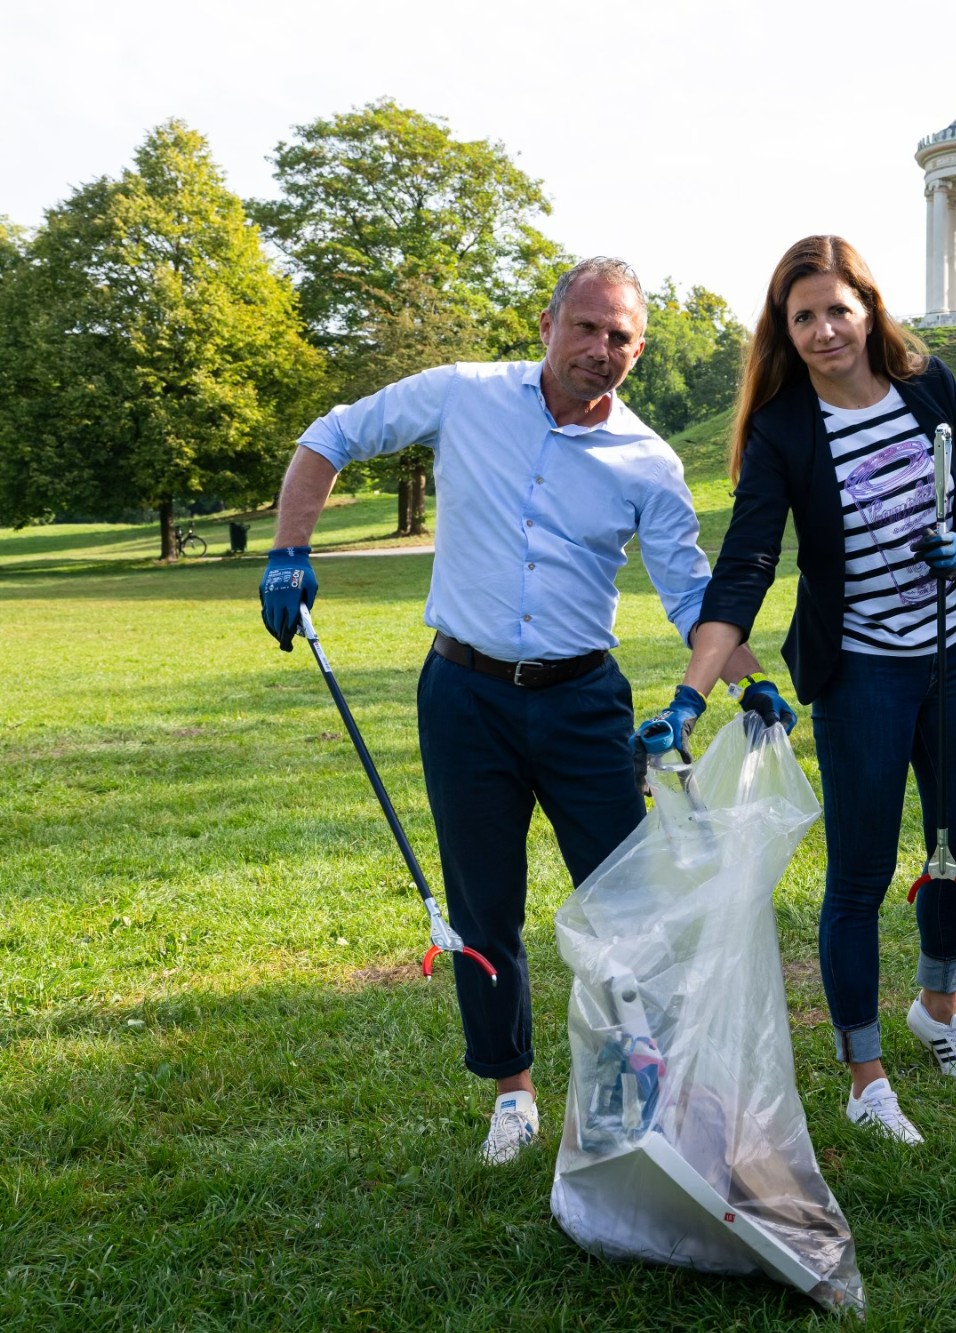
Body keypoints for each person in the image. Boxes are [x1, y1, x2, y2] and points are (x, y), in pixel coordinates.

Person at [257, 257, 781, 1165]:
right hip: (464, 694)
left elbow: (690, 590)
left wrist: (749, 677)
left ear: (639, 350)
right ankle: (513, 1093)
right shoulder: (464, 395)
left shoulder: (648, 461)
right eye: (586, 328)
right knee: (483, 900)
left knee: (628, 899)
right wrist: (288, 548)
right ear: (547, 326)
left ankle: (635, 1081)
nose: (600, 350)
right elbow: (332, 434)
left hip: (583, 699)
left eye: (620, 337)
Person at [672, 235, 956, 1146]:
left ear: (869, 308)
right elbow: (745, 565)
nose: (824, 331)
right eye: (803, 316)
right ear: (784, 329)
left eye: (837, 311)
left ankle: (938, 1010)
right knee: (859, 874)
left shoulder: (927, 384)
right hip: (860, 670)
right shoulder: (782, 428)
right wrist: (693, 691)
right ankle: (866, 1075)